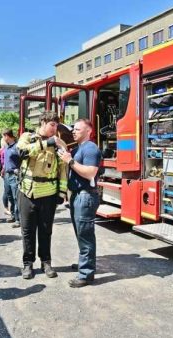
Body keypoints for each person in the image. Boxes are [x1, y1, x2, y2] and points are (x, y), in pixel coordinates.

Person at [17, 111, 68, 279]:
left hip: (48, 194)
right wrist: (46, 143)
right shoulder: (27, 137)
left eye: (56, 125)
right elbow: (21, 153)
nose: (55, 129)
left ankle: (46, 262)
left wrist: (62, 192)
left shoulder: (59, 143)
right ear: (42, 122)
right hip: (27, 192)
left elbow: (62, 169)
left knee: (46, 231)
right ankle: (27, 264)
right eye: (52, 125)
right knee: (27, 231)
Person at [59, 119, 101, 288]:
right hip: (77, 196)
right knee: (81, 234)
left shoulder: (91, 148)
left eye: (77, 129)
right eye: (73, 129)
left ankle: (86, 274)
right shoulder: (78, 148)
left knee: (85, 235)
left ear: (89, 131)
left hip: (85, 196)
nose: (73, 132)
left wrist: (70, 161)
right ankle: (85, 265)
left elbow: (90, 172)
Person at [2, 129, 20, 228]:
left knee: (16, 197)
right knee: (9, 196)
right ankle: (13, 215)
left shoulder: (17, 147)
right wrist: (3, 169)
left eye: (4, 136)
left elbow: (22, 159)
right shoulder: (7, 147)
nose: (3, 138)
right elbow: (6, 160)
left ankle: (18, 219)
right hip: (7, 175)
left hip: (14, 176)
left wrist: (18, 169)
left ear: (8, 136)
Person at [0, 137, 12, 216]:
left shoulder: (5, 150)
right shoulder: (5, 150)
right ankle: (6, 208)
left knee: (7, 191)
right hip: (6, 172)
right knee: (7, 191)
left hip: (5, 172)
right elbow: (4, 163)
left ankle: (7, 208)